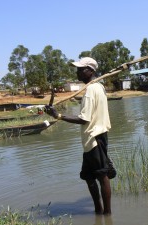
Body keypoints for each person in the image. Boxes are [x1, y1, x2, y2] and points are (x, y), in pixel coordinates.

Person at [45, 57, 115, 215]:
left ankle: (107, 214)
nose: (77, 72)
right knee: (89, 176)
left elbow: (84, 119)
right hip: (93, 138)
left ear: (90, 70)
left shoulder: (91, 90)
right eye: (77, 69)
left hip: (94, 137)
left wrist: (58, 116)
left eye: (80, 69)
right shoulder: (99, 87)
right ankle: (99, 210)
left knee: (102, 175)